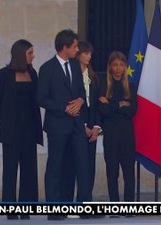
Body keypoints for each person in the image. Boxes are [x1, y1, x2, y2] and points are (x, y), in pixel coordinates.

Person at [37, 29, 91, 220]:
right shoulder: (47, 68)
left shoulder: (76, 67)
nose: (77, 50)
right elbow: (41, 98)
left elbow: (82, 94)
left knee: (82, 164)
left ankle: (83, 206)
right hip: (57, 125)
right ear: (65, 47)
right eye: (75, 46)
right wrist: (64, 108)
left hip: (76, 125)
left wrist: (80, 102)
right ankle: (54, 209)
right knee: (56, 165)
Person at [0, 39, 43, 220]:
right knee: (10, 169)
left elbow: (37, 99)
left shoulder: (33, 73)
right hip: (12, 130)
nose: (33, 56)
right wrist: (7, 122)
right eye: (30, 53)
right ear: (21, 54)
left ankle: (26, 207)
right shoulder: (4, 74)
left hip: (29, 129)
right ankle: (10, 208)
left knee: (29, 169)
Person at [62, 41, 102, 204]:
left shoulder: (93, 77)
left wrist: (96, 127)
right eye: (86, 53)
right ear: (78, 54)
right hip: (76, 126)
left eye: (90, 53)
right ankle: (68, 202)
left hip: (92, 126)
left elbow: (98, 104)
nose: (89, 56)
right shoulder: (71, 75)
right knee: (72, 165)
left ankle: (85, 201)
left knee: (89, 167)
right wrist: (83, 126)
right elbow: (71, 103)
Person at [99, 51, 137, 206]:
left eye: (121, 65)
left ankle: (129, 206)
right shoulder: (103, 85)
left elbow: (133, 110)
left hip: (127, 133)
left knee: (129, 172)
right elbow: (103, 111)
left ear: (125, 67)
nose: (118, 68)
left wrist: (111, 104)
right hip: (110, 133)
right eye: (115, 65)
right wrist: (121, 104)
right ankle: (114, 206)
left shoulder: (131, 87)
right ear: (110, 67)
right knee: (112, 172)